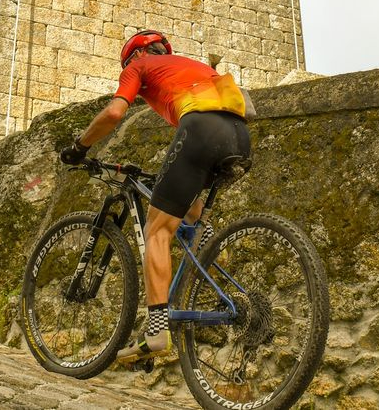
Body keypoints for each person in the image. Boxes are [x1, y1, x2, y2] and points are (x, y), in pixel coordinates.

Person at [61, 30, 253, 363]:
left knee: (156, 231)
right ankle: (198, 274)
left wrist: (79, 147)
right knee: (190, 214)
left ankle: (157, 330)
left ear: (134, 57)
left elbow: (114, 113)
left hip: (202, 129)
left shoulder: (140, 66)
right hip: (240, 135)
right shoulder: (188, 66)